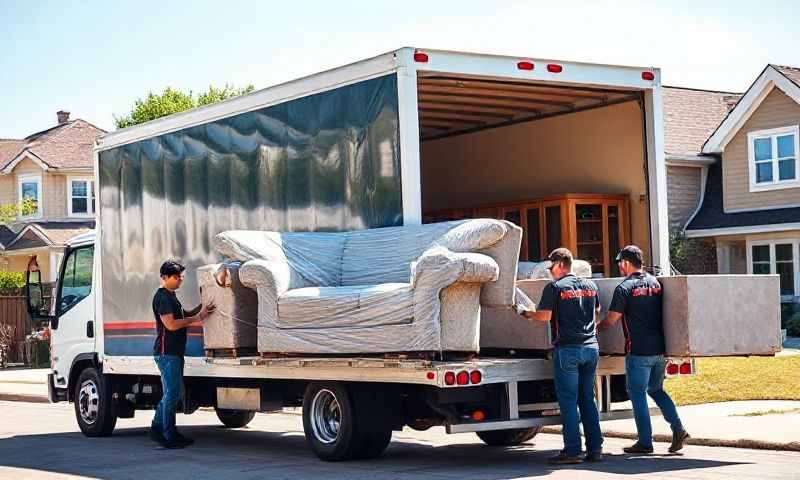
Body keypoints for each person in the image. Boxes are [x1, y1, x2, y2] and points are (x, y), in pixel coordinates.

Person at [598, 245, 689, 454]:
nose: (619, 267)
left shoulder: (624, 288)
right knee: (656, 390)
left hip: (638, 350)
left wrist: (594, 329)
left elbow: (612, 319)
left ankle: (645, 442)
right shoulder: (655, 283)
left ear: (626, 263)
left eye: (620, 263)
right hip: (659, 349)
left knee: (637, 394)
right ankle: (679, 429)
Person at [517, 248, 604, 464]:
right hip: (591, 348)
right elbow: (597, 312)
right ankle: (595, 449)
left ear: (558, 265)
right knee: (588, 400)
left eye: (550, 267)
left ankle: (572, 451)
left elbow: (545, 316)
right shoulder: (590, 285)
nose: (550, 271)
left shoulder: (555, 288)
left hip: (568, 350)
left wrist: (524, 313)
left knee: (568, 402)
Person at [150, 260, 215, 449]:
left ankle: (157, 429)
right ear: (165, 277)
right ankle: (169, 434)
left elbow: (182, 314)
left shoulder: (172, 296)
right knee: (172, 394)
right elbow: (170, 324)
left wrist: (201, 308)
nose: (180, 280)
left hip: (175, 352)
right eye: (176, 277)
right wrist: (198, 317)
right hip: (166, 352)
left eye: (181, 277)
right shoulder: (162, 297)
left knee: (171, 393)